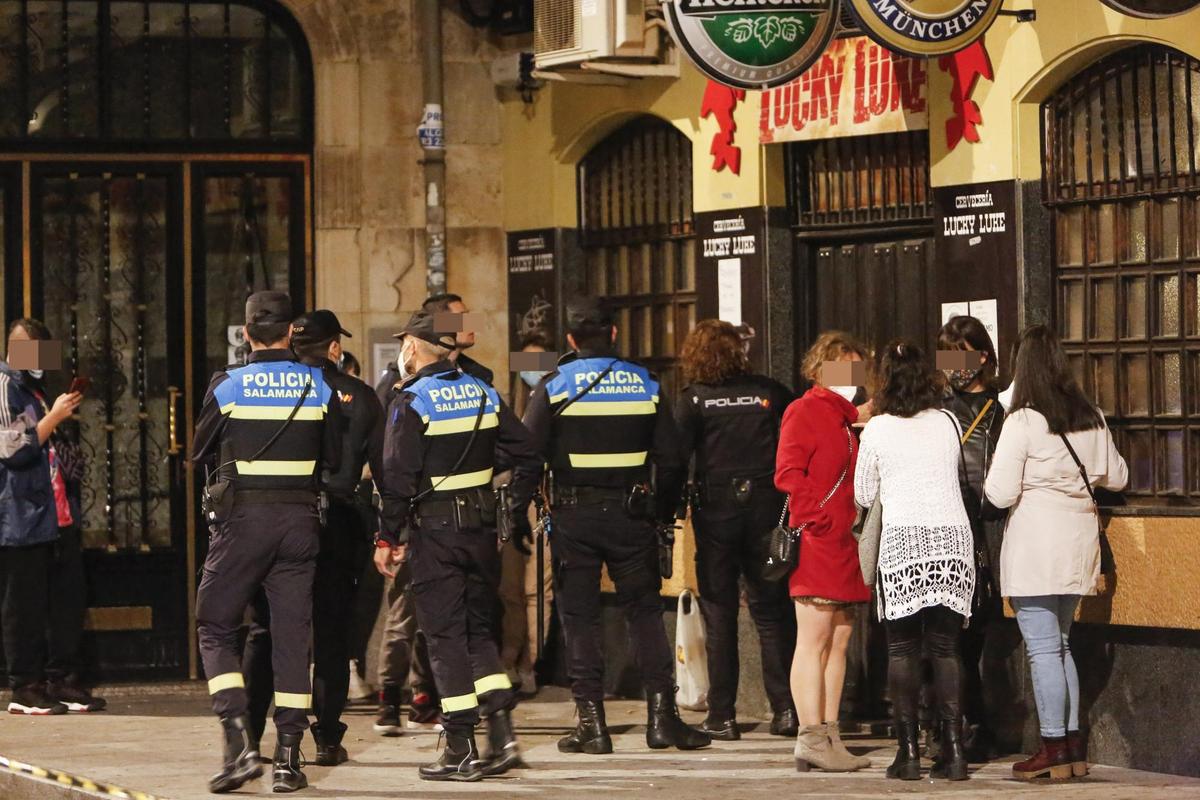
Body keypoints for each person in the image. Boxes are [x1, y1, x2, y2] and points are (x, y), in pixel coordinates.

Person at [511, 297, 711, 755]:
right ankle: (663, 719)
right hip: (632, 515)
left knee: (579, 619)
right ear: (615, 335)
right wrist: (662, 513)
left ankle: (592, 725)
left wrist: (519, 513)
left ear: (571, 340)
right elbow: (673, 457)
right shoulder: (645, 384)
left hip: (573, 517)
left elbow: (527, 456)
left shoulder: (554, 385)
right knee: (643, 615)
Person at [374, 311, 541, 782]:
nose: (402, 349)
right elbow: (526, 450)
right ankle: (502, 734)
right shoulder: (483, 391)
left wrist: (388, 537)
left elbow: (398, 480)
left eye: (405, 340)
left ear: (419, 345)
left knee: (445, 638)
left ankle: (461, 747)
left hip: (437, 533)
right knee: (478, 632)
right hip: (481, 532)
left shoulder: (412, 400)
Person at [192, 291, 341, 794]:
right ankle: (289, 760)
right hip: (300, 522)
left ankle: (238, 741)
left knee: (215, 624)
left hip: (242, 524)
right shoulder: (318, 385)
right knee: (293, 638)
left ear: (246, 332)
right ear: (290, 332)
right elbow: (335, 457)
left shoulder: (228, 384)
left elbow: (198, 452)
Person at [984, 325, 1128, 782]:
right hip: (1078, 540)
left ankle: (1051, 749)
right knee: (1060, 644)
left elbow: (1000, 492)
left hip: (1036, 545)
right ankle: (1070, 748)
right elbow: (1117, 477)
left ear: (1022, 367)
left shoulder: (1023, 420)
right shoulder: (1092, 415)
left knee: (1044, 649)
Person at [241, 310, 384, 767]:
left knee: (266, 631)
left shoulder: (270, 391)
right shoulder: (360, 396)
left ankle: (252, 737)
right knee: (332, 635)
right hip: (339, 523)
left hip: (277, 519)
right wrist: (390, 528)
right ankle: (325, 736)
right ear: (335, 348)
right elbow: (384, 468)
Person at [854, 339, 975, 782]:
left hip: (903, 542)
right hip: (952, 541)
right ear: (928, 378)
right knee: (945, 649)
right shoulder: (947, 420)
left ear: (884, 382)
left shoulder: (879, 429)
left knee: (902, 649)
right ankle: (955, 752)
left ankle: (907, 754)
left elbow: (863, 494)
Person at [675, 320, 798, 740]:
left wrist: (666, 511)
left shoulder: (693, 400)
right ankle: (786, 710)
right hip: (767, 511)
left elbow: (675, 458)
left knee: (720, 612)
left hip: (716, 516)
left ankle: (722, 715)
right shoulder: (770, 392)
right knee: (771, 612)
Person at [774, 331, 872, 772]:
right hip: (820, 541)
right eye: (842, 368)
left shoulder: (844, 416)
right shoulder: (805, 410)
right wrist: (817, 520)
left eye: (856, 368)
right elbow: (789, 473)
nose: (851, 377)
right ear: (820, 368)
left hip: (846, 542)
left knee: (840, 639)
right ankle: (810, 735)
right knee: (813, 640)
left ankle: (830, 734)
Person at [0, 319, 89, 715]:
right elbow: (13, 450)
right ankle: (25, 686)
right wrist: (53, 417)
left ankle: (58, 679)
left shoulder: (33, 387)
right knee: (23, 603)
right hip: (19, 513)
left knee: (61, 598)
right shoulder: (6, 387)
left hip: (53, 511)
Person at [937, 316, 1006, 760]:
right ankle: (947, 726)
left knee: (970, 637)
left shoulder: (1003, 412)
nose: (954, 364)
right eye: (947, 353)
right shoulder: (935, 409)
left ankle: (972, 725)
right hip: (939, 527)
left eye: (961, 352)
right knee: (942, 638)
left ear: (982, 356)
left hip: (982, 532)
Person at [498, 329, 555, 695]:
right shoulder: (507, 405)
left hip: (544, 503)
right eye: (527, 362)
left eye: (541, 362)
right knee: (510, 589)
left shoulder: (553, 400)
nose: (533, 369)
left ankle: (530, 663)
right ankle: (509, 661)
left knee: (540, 588)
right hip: (510, 502)